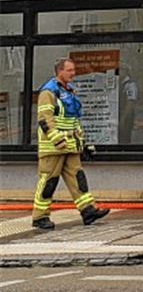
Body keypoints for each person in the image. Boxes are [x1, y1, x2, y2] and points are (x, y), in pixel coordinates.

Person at [32, 58, 109, 231]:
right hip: (53, 147)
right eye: (70, 70)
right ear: (60, 71)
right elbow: (45, 119)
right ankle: (40, 217)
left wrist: (82, 143)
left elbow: (73, 120)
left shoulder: (68, 91)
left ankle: (88, 211)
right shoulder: (48, 92)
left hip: (70, 146)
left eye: (73, 70)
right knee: (48, 181)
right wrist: (56, 139)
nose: (73, 73)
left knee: (77, 177)